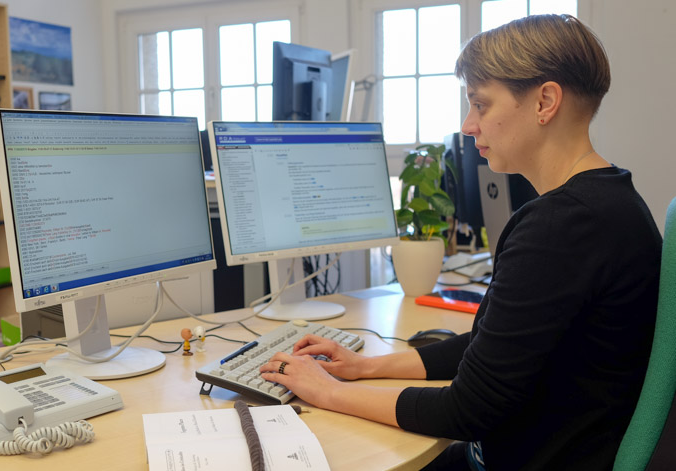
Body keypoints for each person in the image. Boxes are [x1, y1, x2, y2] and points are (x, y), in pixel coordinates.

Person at [259, 14, 662, 470]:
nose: (469, 125)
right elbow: (492, 349)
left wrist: (329, 391)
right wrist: (365, 367)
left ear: (545, 101)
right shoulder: (610, 202)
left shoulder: (561, 227)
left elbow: (467, 410)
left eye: (481, 104)